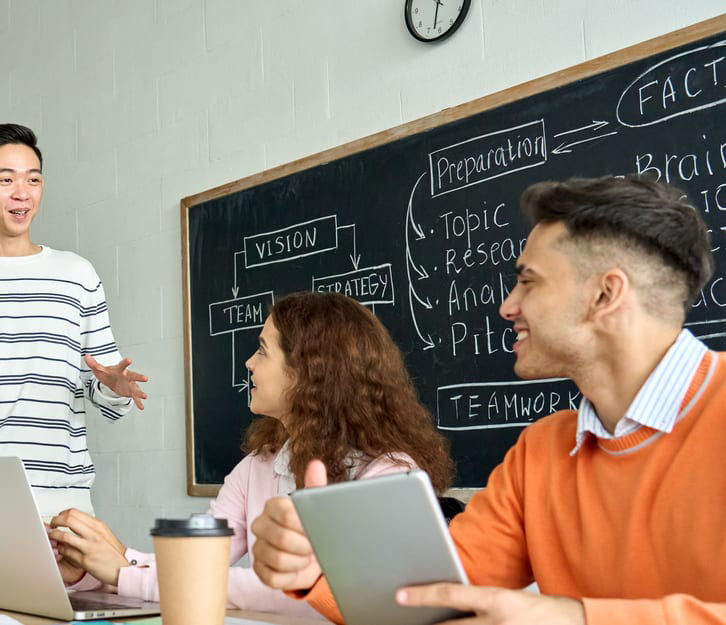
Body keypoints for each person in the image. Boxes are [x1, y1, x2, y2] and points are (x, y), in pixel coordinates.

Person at [250, 174, 726, 624]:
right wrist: (313, 569)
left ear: (605, 294)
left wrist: (579, 617)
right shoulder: (542, 451)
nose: (507, 306)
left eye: (529, 280)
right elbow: (427, 600)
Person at [48, 292, 453, 615]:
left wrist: (122, 571)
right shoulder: (258, 465)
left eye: (262, 350)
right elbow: (198, 565)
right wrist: (92, 567)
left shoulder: (389, 474)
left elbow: (303, 593)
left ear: (309, 371)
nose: (247, 363)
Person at [0, 123, 149, 576]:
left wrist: (112, 386)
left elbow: (110, 403)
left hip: (62, 503)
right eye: (7, 179)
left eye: (33, 179)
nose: (23, 193)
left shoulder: (77, 275)